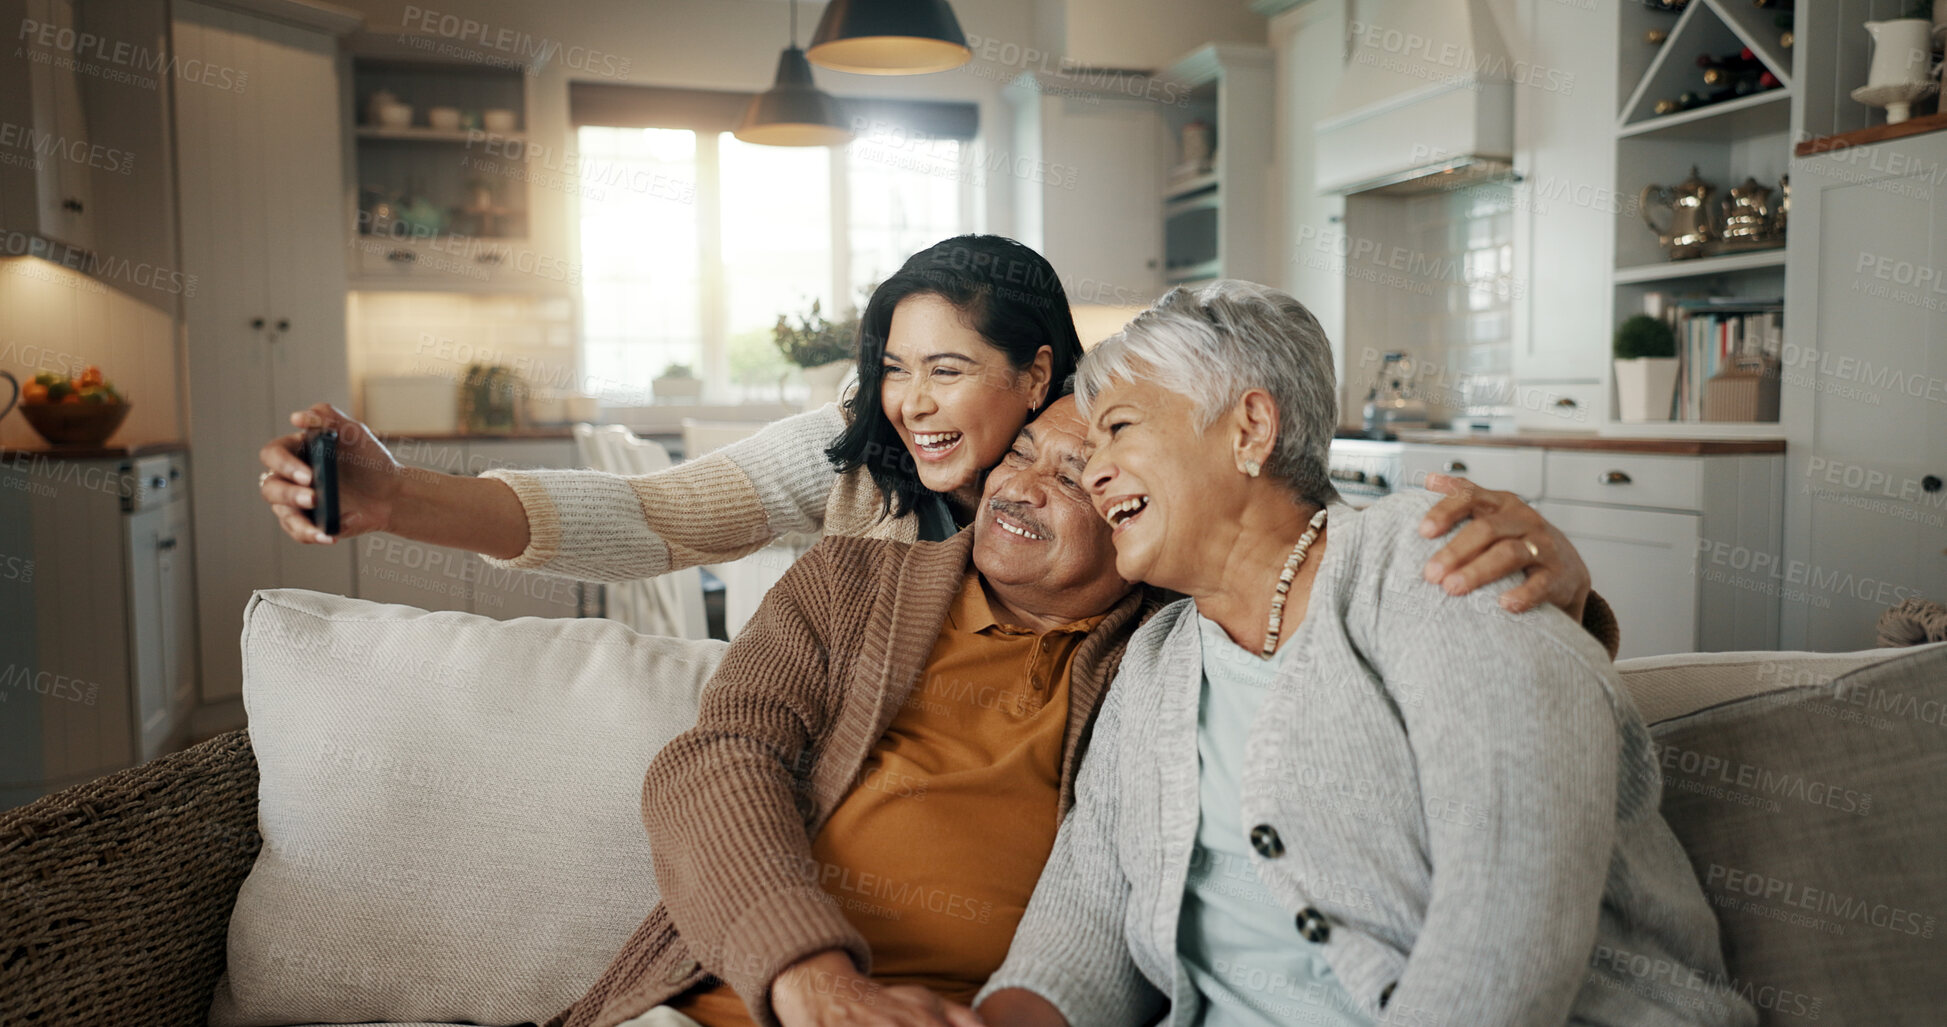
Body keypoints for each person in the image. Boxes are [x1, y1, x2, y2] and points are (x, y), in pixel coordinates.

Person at [976, 282, 1754, 1027]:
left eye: (1118, 429)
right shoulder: (1154, 664)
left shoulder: (1432, 564)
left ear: (1249, 428)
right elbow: (1080, 924)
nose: (1096, 467)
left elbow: (1508, 930)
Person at [255, 235, 1597, 618]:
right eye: (892, 366)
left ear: (1038, 369)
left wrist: (1561, 587)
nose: (906, 401)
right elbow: (659, 519)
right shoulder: (862, 453)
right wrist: (394, 500)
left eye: (944, 367)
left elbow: (1288, 548)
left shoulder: (1121, 469)